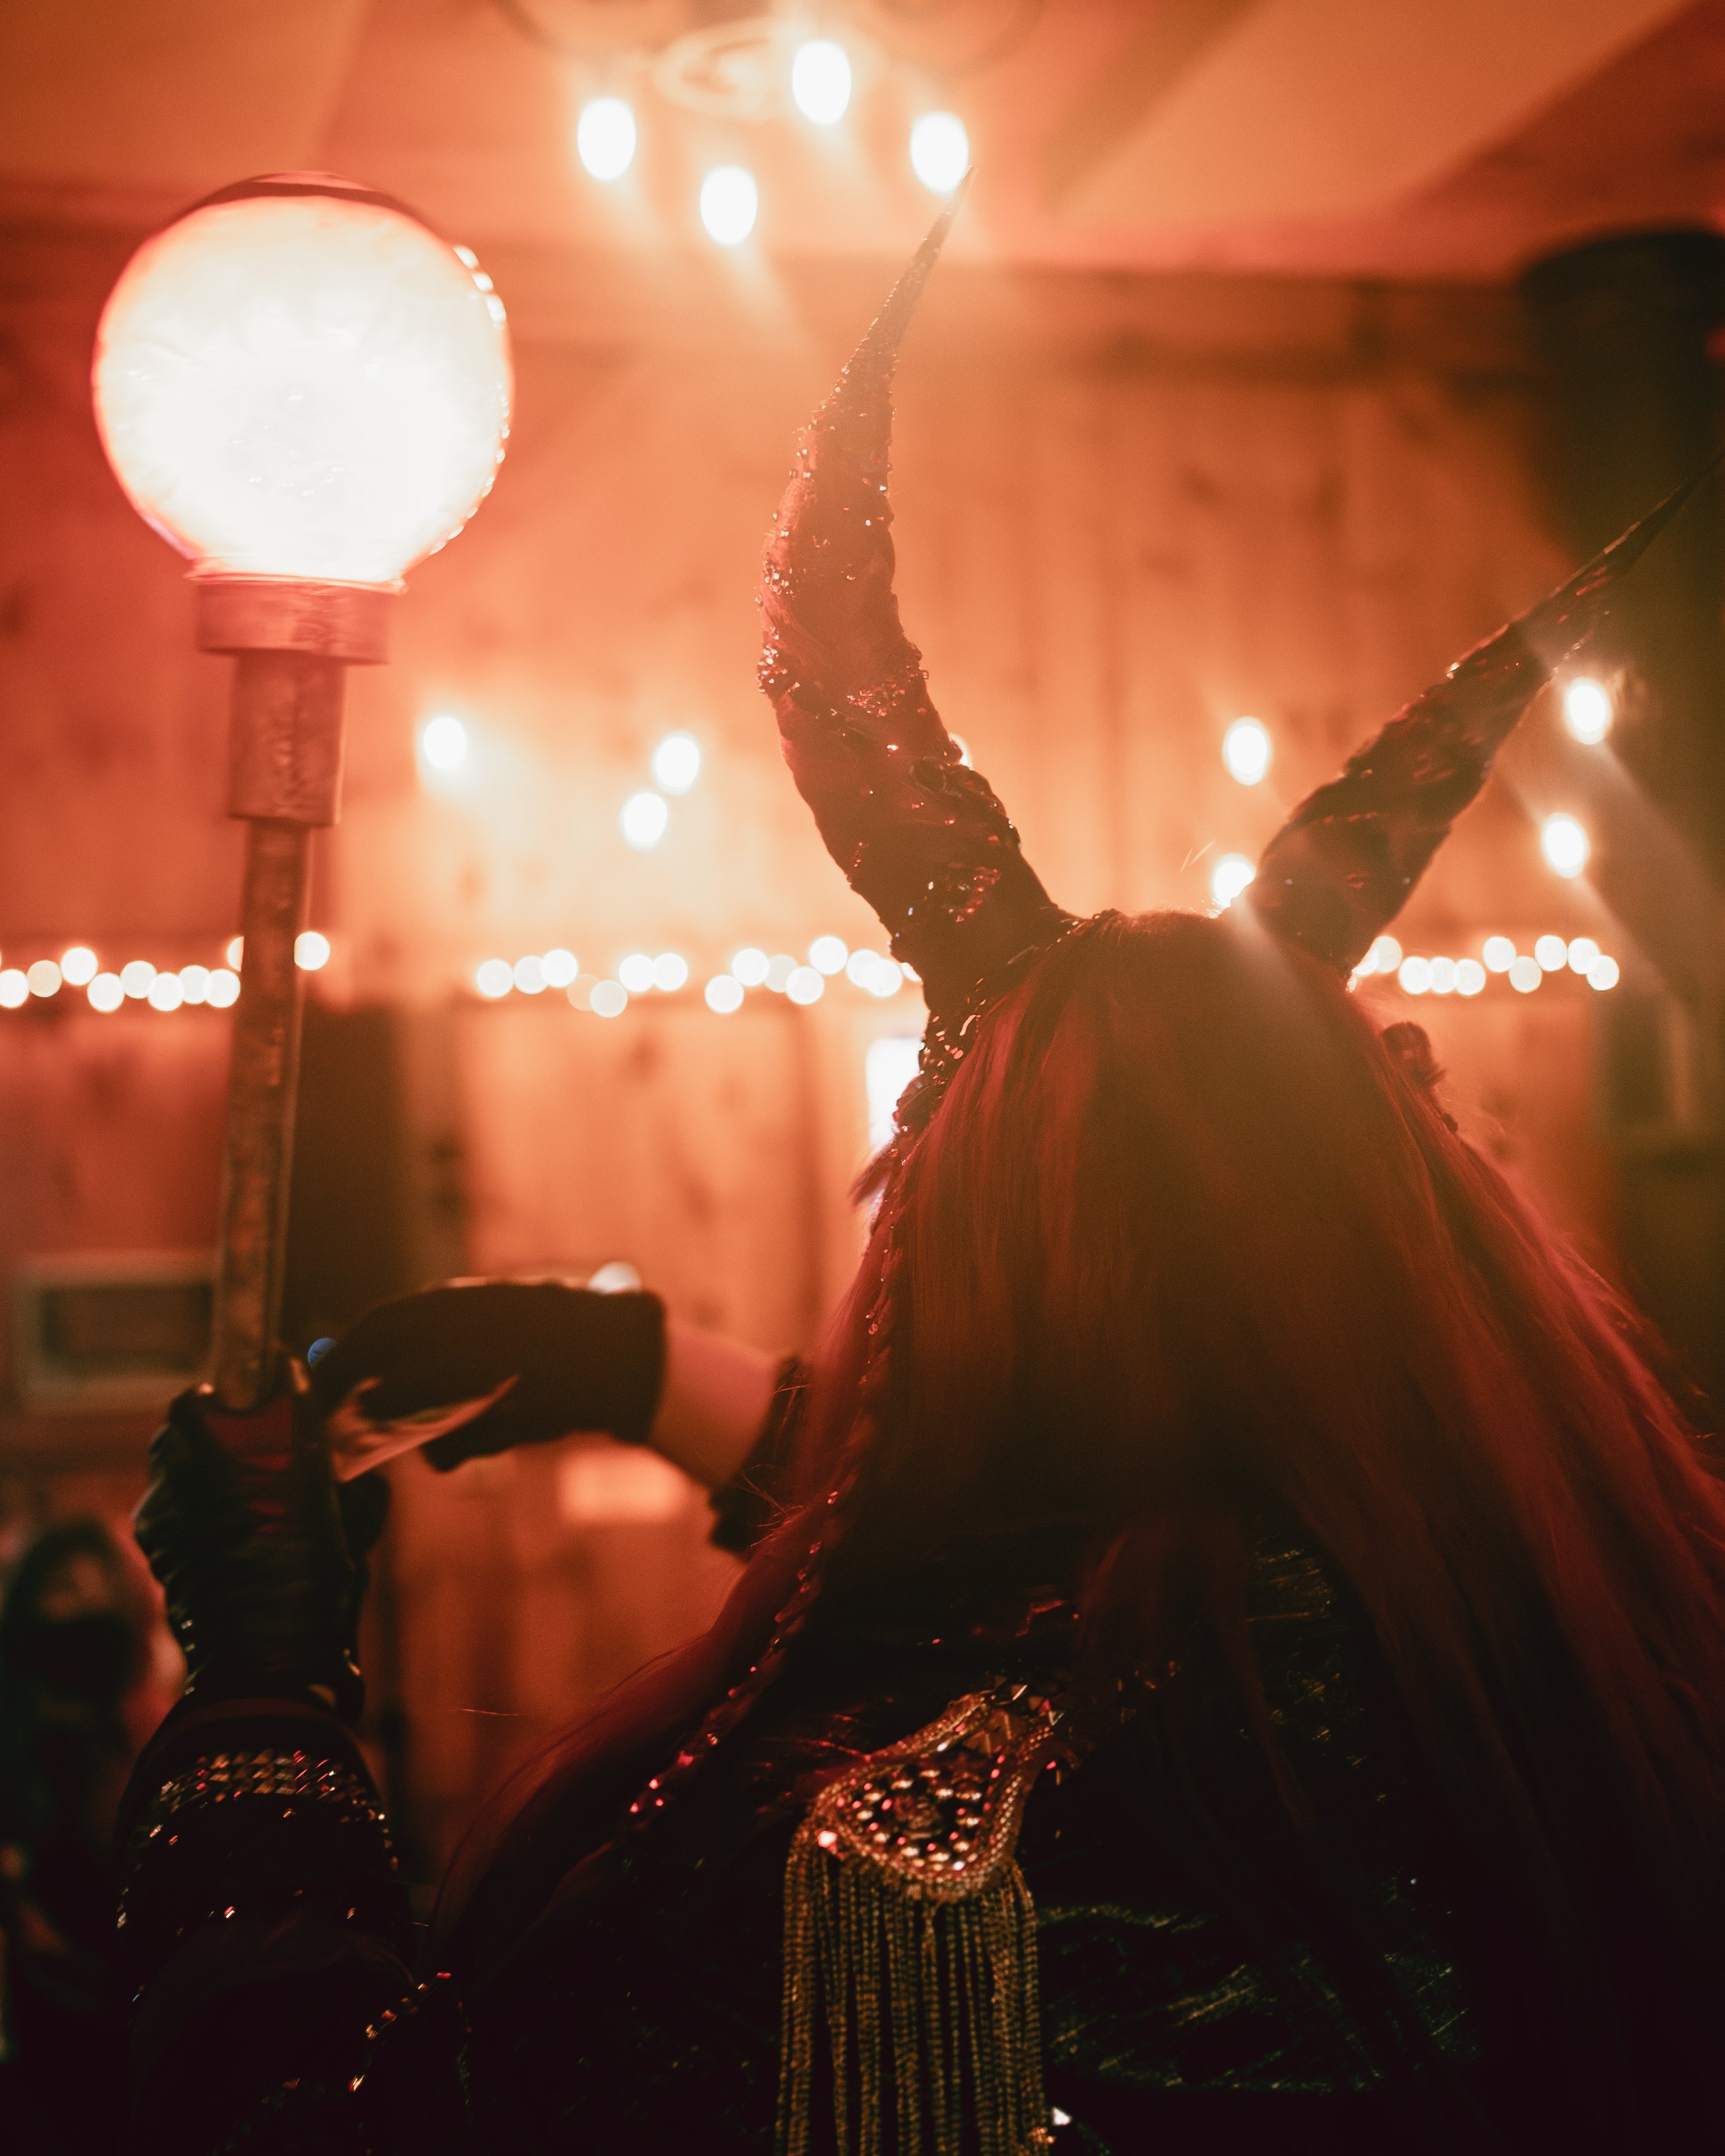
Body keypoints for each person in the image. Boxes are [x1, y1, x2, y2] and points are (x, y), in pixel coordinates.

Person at [119, 208, 1725, 2156]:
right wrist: (648, 1372)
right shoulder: (1560, 1639)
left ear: (976, 1251)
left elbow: (340, 2117)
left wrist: (263, 1707)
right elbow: (1093, 1535)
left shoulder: (897, 1844)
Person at [0, 1518, 163, 2154]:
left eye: (91, 1630)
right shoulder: (16, 1761)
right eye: (51, 1626)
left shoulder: (146, 1760)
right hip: (34, 2060)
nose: (71, 1652)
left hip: (129, 2046)